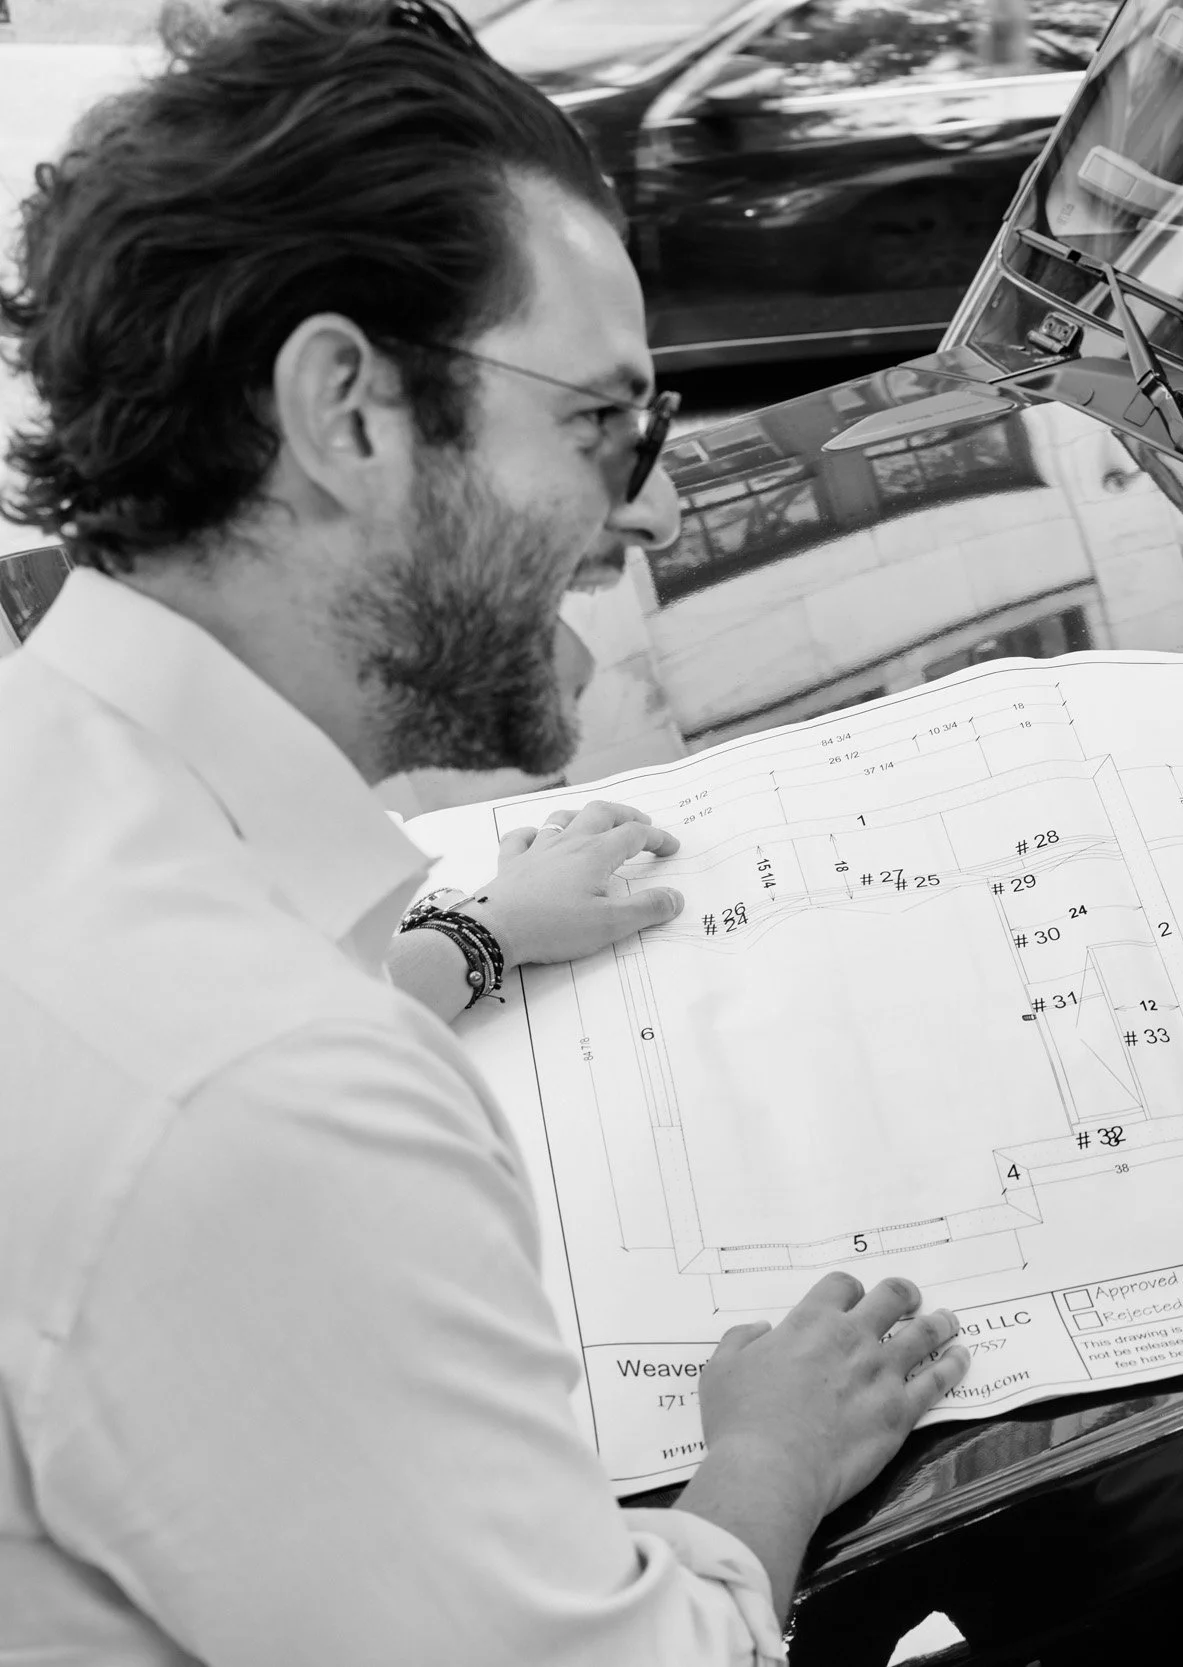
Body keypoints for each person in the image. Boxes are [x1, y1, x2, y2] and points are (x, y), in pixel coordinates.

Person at [0, 4, 966, 1663]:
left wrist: (473, 936)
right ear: (348, 415)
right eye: (604, 423)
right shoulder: (268, 1107)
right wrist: (764, 1469)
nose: (656, 502)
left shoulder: (62, 762)